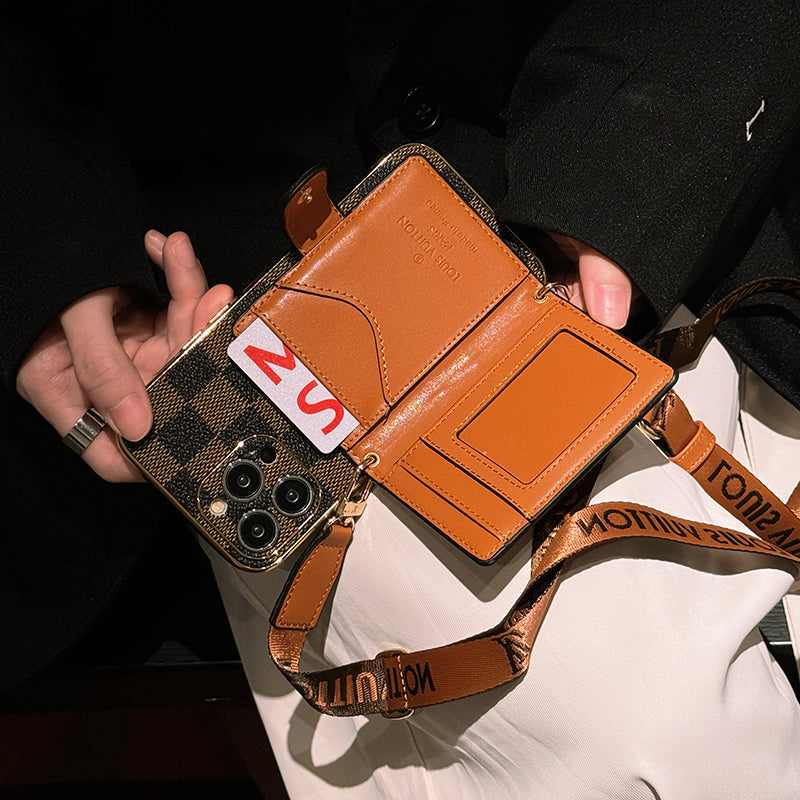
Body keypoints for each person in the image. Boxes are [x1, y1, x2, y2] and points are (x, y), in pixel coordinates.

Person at [5, 1, 800, 797]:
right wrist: (48, 258)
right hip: (236, 289)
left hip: (633, 161)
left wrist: (616, 182)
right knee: (640, 724)